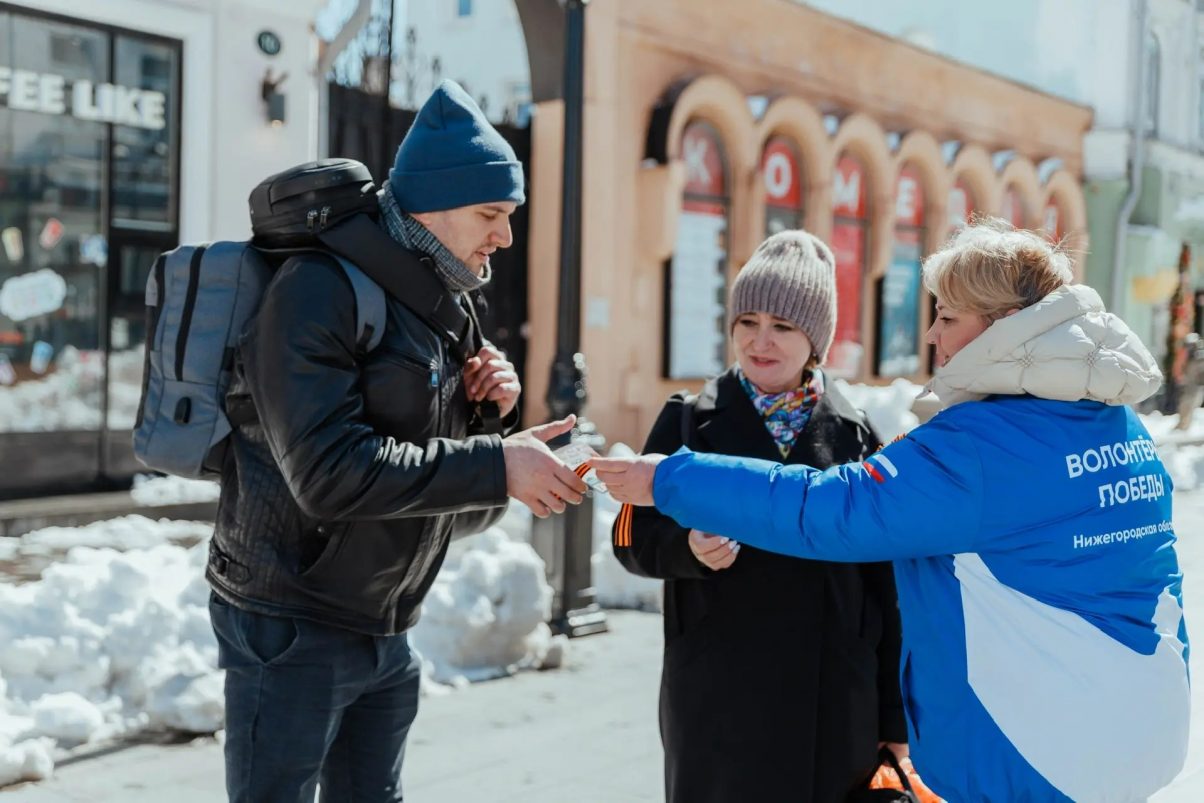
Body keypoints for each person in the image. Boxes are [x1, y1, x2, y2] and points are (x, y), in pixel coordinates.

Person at [594, 219, 1190, 802]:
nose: (931, 335)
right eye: (746, 321)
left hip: (1025, 747)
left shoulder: (964, 446)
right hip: (1131, 722)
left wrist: (672, 477)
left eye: (948, 318)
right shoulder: (1120, 428)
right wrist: (684, 547)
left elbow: (837, 513)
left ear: (1004, 327)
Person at [207, 80, 588, 803]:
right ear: (432, 203)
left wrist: (489, 424)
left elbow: (462, 513)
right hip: (290, 620)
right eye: (491, 214)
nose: (505, 237)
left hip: (384, 627)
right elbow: (331, 475)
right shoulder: (316, 290)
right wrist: (495, 463)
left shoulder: (444, 311)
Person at [611, 230, 909, 801]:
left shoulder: (857, 433)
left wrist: (892, 723)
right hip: (719, 697)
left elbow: (886, 586)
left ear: (815, 339)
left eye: (782, 326)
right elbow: (630, 535)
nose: (759, 341)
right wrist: (686, 550)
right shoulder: (686, 423)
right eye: (747, 321)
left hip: (832, 700)